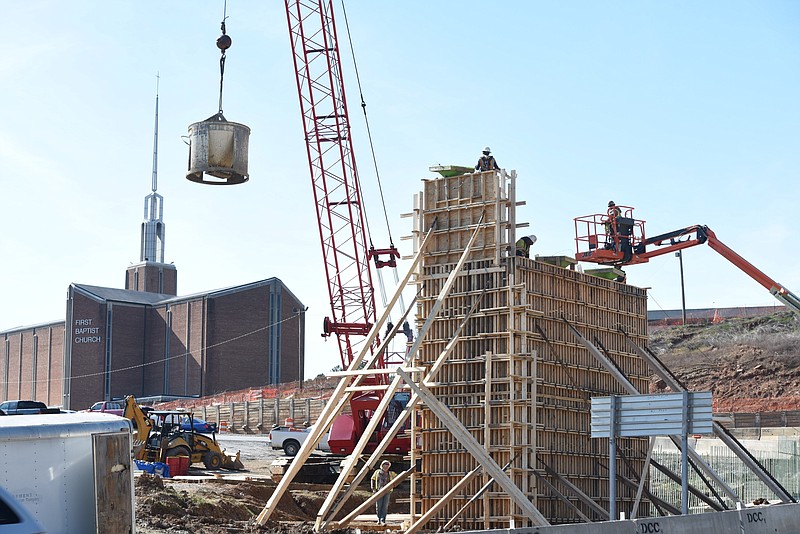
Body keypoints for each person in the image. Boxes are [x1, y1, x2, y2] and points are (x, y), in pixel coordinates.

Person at [371, 460, 396, 525]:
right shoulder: (377, 472)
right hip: (379, 491)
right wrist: (373, 489)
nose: (385, 466)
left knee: (385, 506)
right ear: (382, 465)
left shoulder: (391, 473)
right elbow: (372, 479)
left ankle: (383, 520)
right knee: (379, 506)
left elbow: (397, 477)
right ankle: (379, 519)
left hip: (387, 492)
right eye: (384, 465)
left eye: (387, 465)